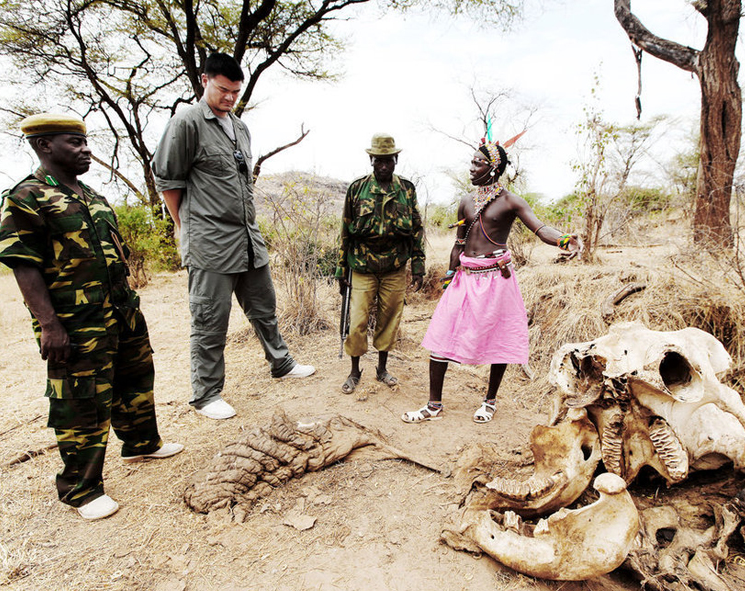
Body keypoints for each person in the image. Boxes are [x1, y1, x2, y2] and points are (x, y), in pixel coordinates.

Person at [0, 113, 184, 520]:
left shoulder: (93, 196)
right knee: (81, 399)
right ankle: (81, 488)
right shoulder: (27, 196)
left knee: (135, 378)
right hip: (74, 321)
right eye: (74, 143)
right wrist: (49, 324)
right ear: (44, 146)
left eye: (85, 142)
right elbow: (23, 264)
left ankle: (141, 444)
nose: (86, 150)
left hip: (121, 312)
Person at [151, 52, 315, 420]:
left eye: (235, 92)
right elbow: (168, 180)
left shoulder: (239, 127)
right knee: (210, 318)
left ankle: (281, 363)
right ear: (205, 80)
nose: (229, 98)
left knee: (264, 306)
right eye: (223, 90)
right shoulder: (186, 123)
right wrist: (185, 226)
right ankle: (207, 395)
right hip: (210, 242)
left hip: (246, 238)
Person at [402, 140, 580, 424]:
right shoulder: (465, 201)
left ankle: (490, 401)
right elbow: (459, 244)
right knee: (442, 335)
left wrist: (562, 239)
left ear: (494, 169)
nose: (471, 167)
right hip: (465, 277)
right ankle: (433, 405)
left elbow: (540, 228)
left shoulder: (511, 201)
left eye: (478, 163)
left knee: (501, 338)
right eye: (471, 162)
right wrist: (449, 276)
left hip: (498, 278)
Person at [335, 133, 425, 393]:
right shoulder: (357, 189)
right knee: (357, 321)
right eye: (378, 160)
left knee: (389, 319)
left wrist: (418, 265)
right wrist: (342, 268)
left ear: (396, 160)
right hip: (362, 265)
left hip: (395, 267)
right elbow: (346, 231)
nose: (383, 165)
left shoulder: (406, 189)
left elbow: (417, 229)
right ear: (371, 160)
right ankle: (354, 372)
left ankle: (382, 369)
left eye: (388, 160)